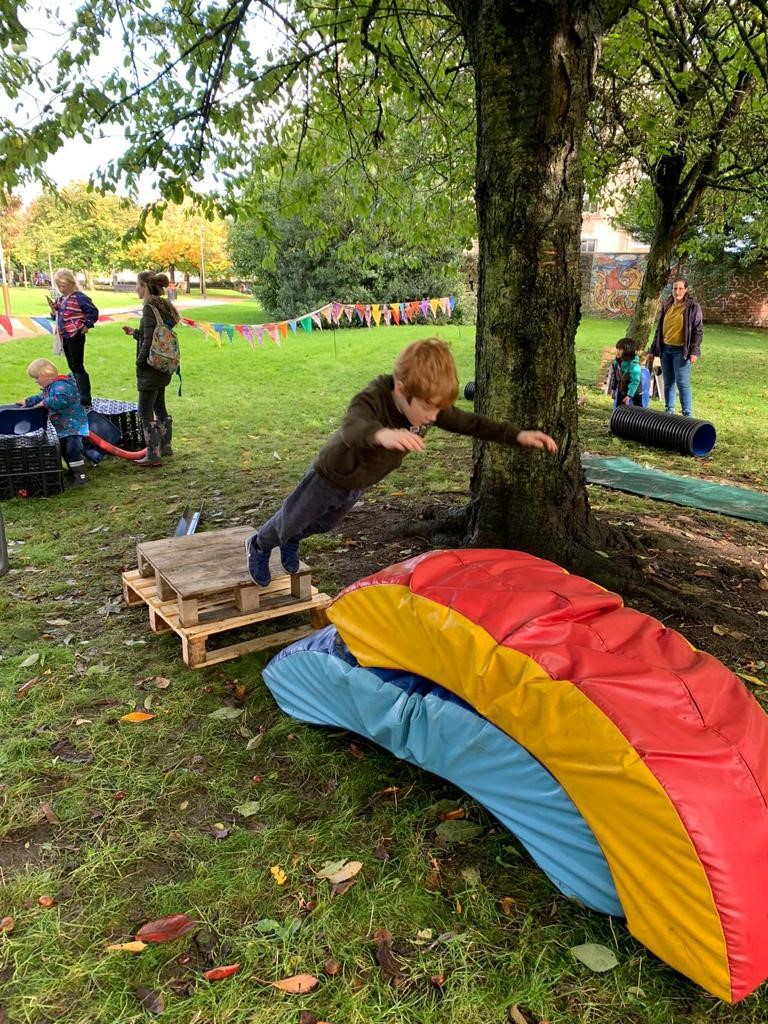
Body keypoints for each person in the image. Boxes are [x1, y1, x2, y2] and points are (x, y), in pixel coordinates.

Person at [245, 338, 559, 587]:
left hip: (358, 483)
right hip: (329, 475)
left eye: (438, 411)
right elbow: (352, 427)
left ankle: (292, 539)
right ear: (401, 388)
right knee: (290, 519)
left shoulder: (428, 403)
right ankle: (259, 545)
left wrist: (517, 436)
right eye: (428, 410)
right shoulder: (374, 397)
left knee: (325, 524)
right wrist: (382, 435)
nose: (433, 418)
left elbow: (470, 423)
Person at [121, 271, 180, 468]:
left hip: (151, 365)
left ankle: (153, 454)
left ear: (145, 286)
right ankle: (166, 446)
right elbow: (155, 336)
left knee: (145, 410)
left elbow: (149, 341)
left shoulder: (149, 308)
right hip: (164, 364)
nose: (136, 289)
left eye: (137, 285)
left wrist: (140, 361)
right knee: (159, 406)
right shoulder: (163, 307)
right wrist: (134, 333)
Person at [21, 359, 89, 486]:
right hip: (64, 427)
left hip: (74, 426)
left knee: (72, 450)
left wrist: (45, 403)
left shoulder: (62, 386)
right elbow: (42, 396)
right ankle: (72, 471)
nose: (36, 381)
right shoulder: (50, 387)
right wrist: (29, 401)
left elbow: (60, 401)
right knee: (64, 450)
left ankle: (81, 476)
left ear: (45, 375)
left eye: (36, 378)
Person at [648, 278, 703, 416]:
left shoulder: (693, 307)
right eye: (674, 288)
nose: (677, 291)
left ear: (686, 290)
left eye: (680, 288)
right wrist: (653, 350)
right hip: (665, 349)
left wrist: (694, 351)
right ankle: (669, 410)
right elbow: (659, 330)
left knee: (682, 383)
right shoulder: (667, 305)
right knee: (668, 382)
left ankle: (687, 413)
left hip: (681, 351)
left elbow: (698, 330)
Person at [47, 269, 99, 408]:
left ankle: (85, 398)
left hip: (75, 334)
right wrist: (53, 309)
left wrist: (87, 325)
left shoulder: (79, 297)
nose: (61, 289)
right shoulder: (60, 299)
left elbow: (93, 311)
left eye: (63, 286)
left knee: (77, 365)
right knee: (71, 364)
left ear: (71, 284)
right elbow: (56, 316)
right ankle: (77, 392)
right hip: (64, 335)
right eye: (59, 286)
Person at [609, 337, 643, 407]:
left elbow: (635, 381)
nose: (617, 351)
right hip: (622, 390)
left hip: (635, 391)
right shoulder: (616, 363)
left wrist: (629, 396)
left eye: (620, 349)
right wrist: (613, 388)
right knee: (619, 408)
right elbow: (614, 377)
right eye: (617, 348)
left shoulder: (634, 366)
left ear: (628, 351)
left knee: (638, 411)